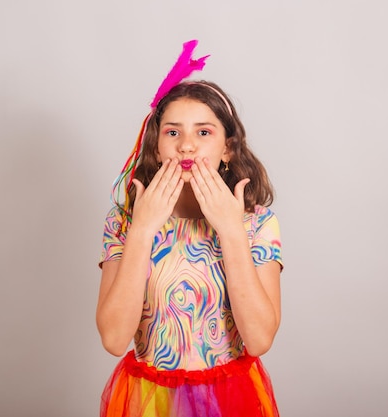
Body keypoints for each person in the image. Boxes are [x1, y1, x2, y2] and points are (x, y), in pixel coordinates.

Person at [96, 40, 283, 417]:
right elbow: (115, 339)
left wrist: (231, 231)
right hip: (150, 401)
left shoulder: (256, 222)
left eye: (203, 132)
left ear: (227, 148)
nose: (186, 147)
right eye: (172, 132)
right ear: (156, 145)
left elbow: (260, 339)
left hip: (230, 399)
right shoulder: (124, 221)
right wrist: (143, 229)